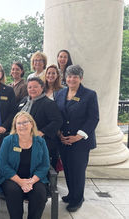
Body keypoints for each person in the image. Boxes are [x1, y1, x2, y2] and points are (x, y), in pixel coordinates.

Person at [55, 65, 99, 212]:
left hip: (80, 142)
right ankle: (71, 193)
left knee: (78, 170)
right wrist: (60, 133)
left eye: (75, 76)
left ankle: (78, 199)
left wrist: (78, 136)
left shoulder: (90, 95)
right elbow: (57, 116)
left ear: (81, 78)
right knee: (67, 168)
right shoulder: (59, 94)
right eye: (69, 76)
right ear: (65, 78)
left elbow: (93, 118)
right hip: (64, 140)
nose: (71, 79)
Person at [0, 111, 50, 219]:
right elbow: (3, 165)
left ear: (32, 124)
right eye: (19, 123)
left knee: (39, 193)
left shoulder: (40, 142)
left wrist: (31, 181)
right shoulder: (8, 141)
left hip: (34, 178)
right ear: (15, 126)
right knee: (13, 191)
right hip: (11, 178)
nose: (22, 125)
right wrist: (20, 182)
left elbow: (45, 165)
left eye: (25, 122)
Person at [18, 77, 62, 169]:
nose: (32, 89)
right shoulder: (24, 101)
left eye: (35, 87)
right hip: (23, 141)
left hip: (42, 143)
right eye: (29, 87)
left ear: (42, 88)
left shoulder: (49, 103)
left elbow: (57, 121)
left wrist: (42, 132)